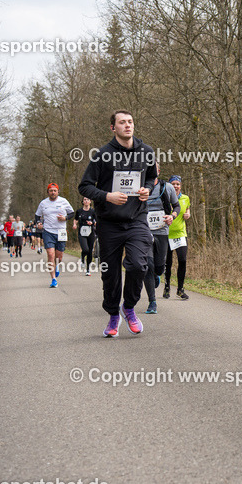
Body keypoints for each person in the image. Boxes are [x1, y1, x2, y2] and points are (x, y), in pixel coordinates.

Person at [78, 110, 158, 337]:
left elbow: (152, 177)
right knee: (110, 274)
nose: (127, 125)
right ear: (113, 128)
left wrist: (148, 189)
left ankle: (129, 307)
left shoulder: (147, 152)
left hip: (137, 220)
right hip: (109, 222)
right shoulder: (102, 155)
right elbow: (84, 186)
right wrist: (107, 196)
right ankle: (113, 315)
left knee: (137, 265)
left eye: (130, 122)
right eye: (122, 122)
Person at [143, 165, 179, 313]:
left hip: (162, 231)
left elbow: (176, 206)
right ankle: (152, 302)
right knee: (147, 265)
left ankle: (157, 275)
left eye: (154, 168)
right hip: (144, 231)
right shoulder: (139, 188)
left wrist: (172, 216)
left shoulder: (167, 187)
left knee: (158, 266)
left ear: (158, 171)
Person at [35, 183, 75, 288]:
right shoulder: (43, 203)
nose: (53, 192)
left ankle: (56, 266)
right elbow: (37, 216)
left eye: (55, 190)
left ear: (58, 191)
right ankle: (53, 279)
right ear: (48, 192)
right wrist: (38, 223)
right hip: (48, 231)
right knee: (51, 255)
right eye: (51, 190)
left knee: (59, 257)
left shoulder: (64, 201)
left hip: (61, 231)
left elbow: (72, 213)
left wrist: (65, 218)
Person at [163, 176, 190, 300]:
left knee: (182, 260)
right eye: (173, 184)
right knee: (168, 263)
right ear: (169, 185)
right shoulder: (165, 198)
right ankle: (167, 286)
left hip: (180, 234)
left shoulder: (185, 198)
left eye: (177, 184)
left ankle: (180, 289)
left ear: (181, 185)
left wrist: (188, 214)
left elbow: (187, 210)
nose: (175, 186)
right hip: (167, 234)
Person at [73, 197, 99, 276]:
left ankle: (88, 269)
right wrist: (74, 224)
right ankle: (82, 257)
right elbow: (75, 219)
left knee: (90, 250)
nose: (86, 201)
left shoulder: (93, 211)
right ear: (82, 201)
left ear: (90, 201)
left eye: (88, 199)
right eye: (84, 200)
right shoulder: (79, 211)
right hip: (82, 232)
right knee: (85, 249)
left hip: (91, 232)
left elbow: (97, 222)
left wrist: (92, 223)